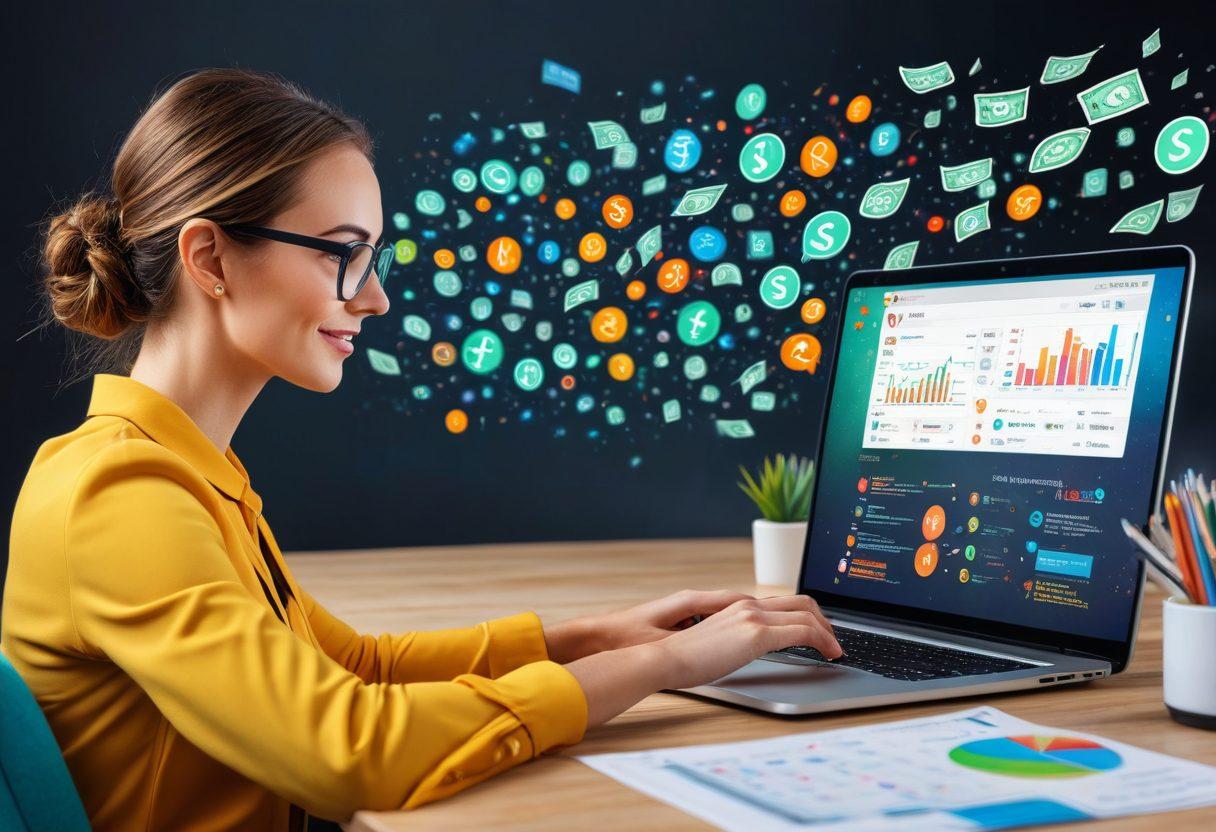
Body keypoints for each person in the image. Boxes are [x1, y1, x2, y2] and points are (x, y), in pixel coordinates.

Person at [1, 67, 841, 832]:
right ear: (210, 257)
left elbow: (349, 666)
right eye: (344, 254)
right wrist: (669, 662)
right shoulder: (120, 495)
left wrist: (596, 638)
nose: (375, 297)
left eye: (375, 257)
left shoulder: (184, 471)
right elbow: (350, 750)